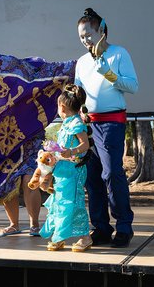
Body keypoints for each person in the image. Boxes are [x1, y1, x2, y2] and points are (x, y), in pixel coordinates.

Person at [0, 48, 76, 236]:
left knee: (30, 179)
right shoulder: (12, 79)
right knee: (7, 180)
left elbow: (61, 72)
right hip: (6, 140)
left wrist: (83, 63)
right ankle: (14, 224)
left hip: (31, 140)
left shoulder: (40, 80)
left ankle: (34, 224)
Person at [75, 8, 139, 248]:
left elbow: (133, 86)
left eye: (88, 34)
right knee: (92, 179)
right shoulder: (81, 62)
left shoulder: (118, 53)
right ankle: (100, 227)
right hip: (88, 125)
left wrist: (110, 75)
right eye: (81, 37)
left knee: (112, 173)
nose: (85, 40)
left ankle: (124, 226)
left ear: (101, 30)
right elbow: (78, 93)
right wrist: (78, 108)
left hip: (112, 122)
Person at [39, 84, 92, 252]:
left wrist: (72, 151)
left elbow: (85, 144)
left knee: (72, 202)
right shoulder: (66, 123)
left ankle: (85, 237)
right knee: (59, 201)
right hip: (62, 171)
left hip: (73, 170)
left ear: (62, 107)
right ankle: (59, 236)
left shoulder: (76, 122)